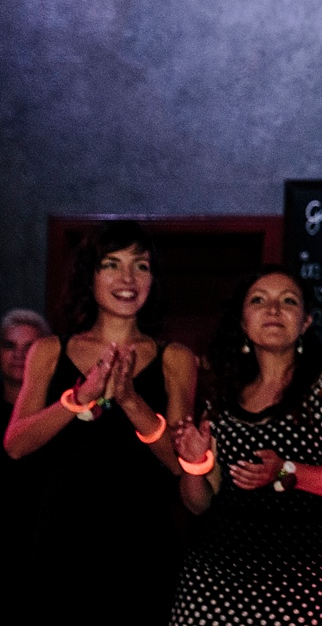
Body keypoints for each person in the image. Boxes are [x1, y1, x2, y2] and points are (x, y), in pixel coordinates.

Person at [4, 221, 199, 626]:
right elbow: (15, 443)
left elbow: (182, 464)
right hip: (63, 540)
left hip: (142, 542)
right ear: (89, 275)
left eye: (141, 266)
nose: (128, 278)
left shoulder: (175, 357)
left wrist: (131, 402)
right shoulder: (49, 350)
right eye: (112, 264)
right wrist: (78, 398)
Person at [170, 265, 322, 626]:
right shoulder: (222, 395)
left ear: (306, 323)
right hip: (213, 574)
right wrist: (194, 463)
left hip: (298, 576)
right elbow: (199, 502)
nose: (273, 310)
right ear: (242, 321)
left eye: (288, 301)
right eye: (259, 301)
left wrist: (286, 471)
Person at [0, 308, 52, 602]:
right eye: (9, 345)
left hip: (39, 541)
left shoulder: (59, 413)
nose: (19, 355)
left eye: (29, 347)